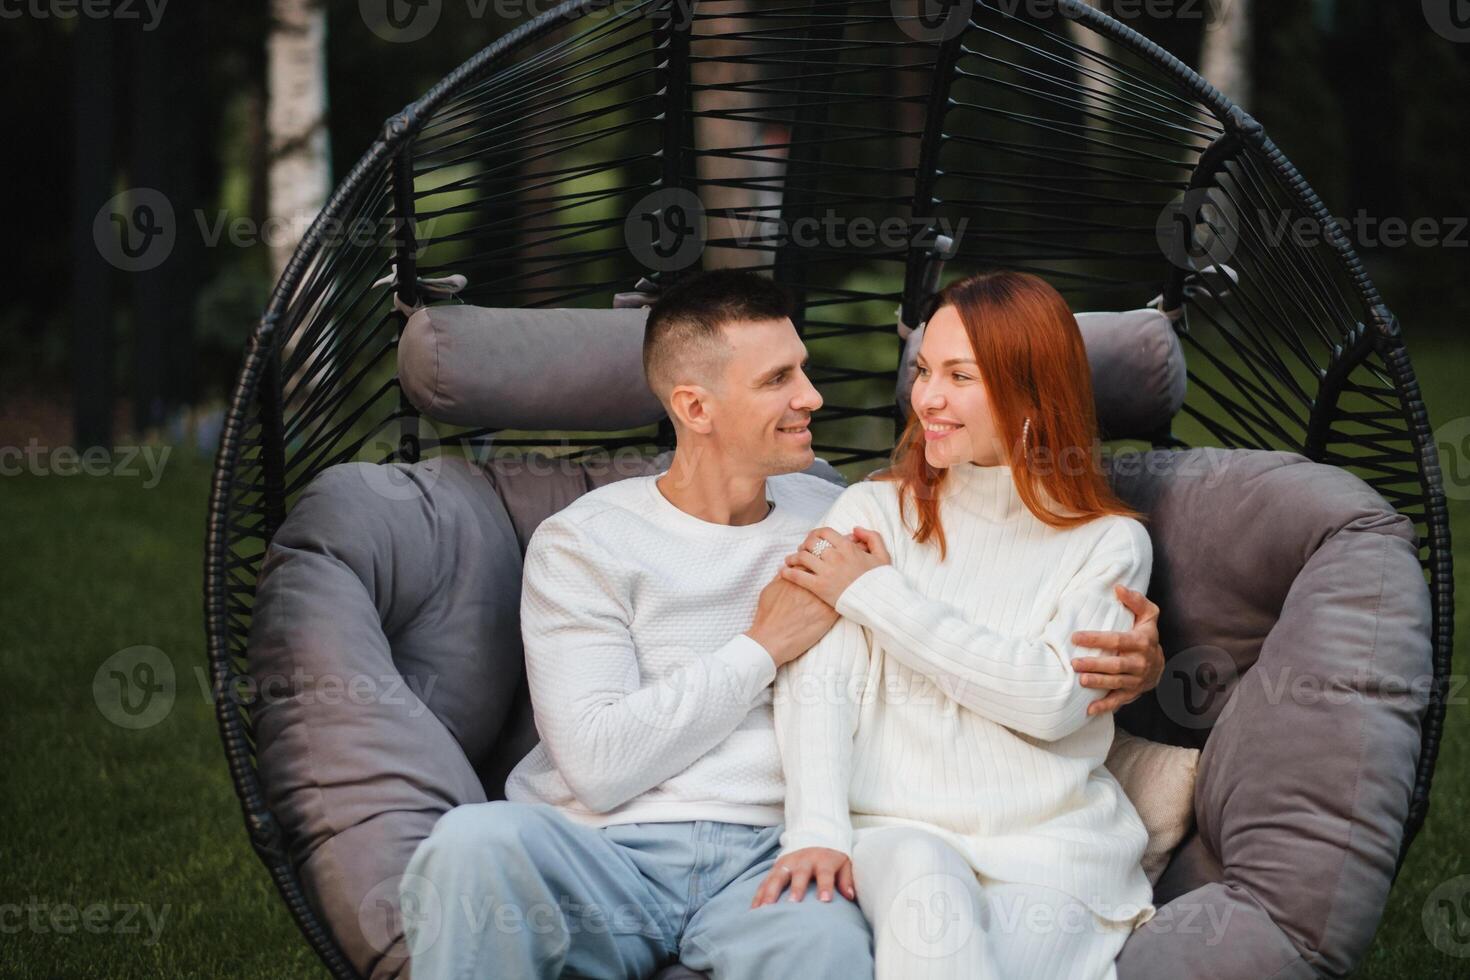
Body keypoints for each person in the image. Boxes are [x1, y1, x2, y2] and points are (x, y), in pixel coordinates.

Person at [401, 268, 1165, 979]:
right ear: (696, 408)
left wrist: (1140, 665)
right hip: (608, 849)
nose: (814, 398)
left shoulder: (834, 510)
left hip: (770, 858)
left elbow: (1009, 634)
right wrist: (761, 646)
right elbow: (600, 766)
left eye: (803, 369)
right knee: (473, 845)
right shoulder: (585, 541)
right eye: (778, 380)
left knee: (826, 946)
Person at [753, 269, 1158, 980]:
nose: (928, 398)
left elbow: (1051, 701)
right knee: (925, 880)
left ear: (1031, 389)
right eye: (926, 371)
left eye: (960, 375)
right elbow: (818, 686)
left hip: (1054, 851)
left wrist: (877, 593)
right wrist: (815, 831)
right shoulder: (870, 513)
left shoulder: (1109, 543)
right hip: (893, 835)